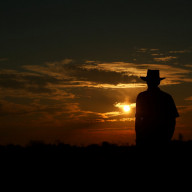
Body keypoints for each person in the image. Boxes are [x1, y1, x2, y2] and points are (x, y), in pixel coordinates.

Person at [135, 69, 179, 147]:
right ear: (158, 82)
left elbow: (138, 119)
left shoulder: (141, 97)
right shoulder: (166, 97)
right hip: (157, 139)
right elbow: (172, 120)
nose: (150, 83)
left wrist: (139, 138)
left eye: (151, 81)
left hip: (151, 139)